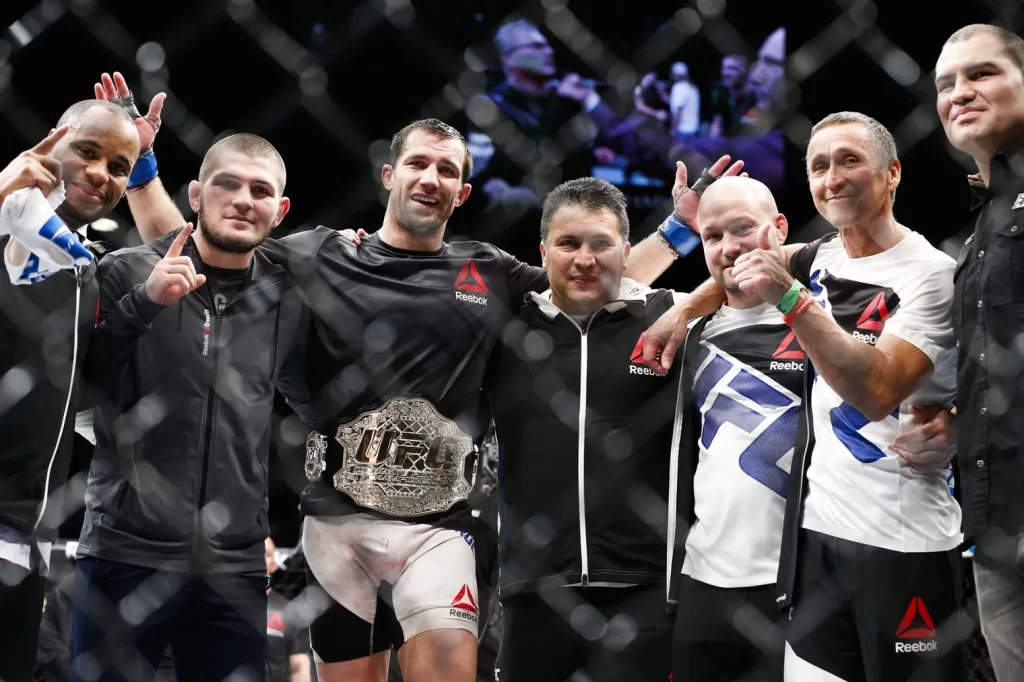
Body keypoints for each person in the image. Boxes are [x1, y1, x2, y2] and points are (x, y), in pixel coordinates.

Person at [264, 118, 740, 682]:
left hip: (440, 525)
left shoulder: (487, 271)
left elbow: (588, 282)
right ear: (388, 174)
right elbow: (215, 259)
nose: (430, 178)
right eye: (418, 163)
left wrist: (678, 233)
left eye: (446, 169)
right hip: (337, 517)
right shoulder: (320, 252)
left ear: (462, 192)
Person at [690, 112, 962, 681]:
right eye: (818, 166)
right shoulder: (821, 256)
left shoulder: (931, 273)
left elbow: (876, 391)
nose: (832, 177)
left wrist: (792, 299)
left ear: (892, 173)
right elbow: (736, 266)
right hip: (816, 540)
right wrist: (681, 311)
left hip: (903, 539)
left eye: (849, 161)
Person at [70, 133, 298, 682]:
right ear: (195, 195)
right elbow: (82, 396)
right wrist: (142, 305)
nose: (243, 199)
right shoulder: (126, 270)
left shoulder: (288, 294)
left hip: (235, 564)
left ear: (280, 210)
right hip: (126, 550)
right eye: (227, 184)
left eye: (260, 190)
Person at [486, 177, 682, 682]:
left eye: (601, 243)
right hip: (535, 587)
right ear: (543, 252)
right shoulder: (506, 329)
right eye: (568, 243)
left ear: (627, 250)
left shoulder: (670, 316)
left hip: (647, 586)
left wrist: (691, 290)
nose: (585, 259)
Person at [0, 99, 140, 682]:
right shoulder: (7, 215)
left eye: (119, 166)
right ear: (53, 143)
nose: (100, 174)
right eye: (87, 151)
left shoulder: (84, 268)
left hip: (27, 532)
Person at [665, 176, 799, 682]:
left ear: (779, 228)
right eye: (712, 236)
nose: (728, 248)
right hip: (704, 580)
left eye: (743, 228)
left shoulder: (824, 318)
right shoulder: (685, 335)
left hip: (799, 580)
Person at [933, 24, 1024, 681]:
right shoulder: (982, 227)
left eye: (981, 73)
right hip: (992, 525)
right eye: (946, 84)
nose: (959, 92)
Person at [265, 537, 312, 682]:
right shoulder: (219, 605)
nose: (256, 559)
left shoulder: (289, 611)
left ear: (273, 564)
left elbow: (299, 666)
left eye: (264, 554)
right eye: (251, 553)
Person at [708, 55, 757, 139]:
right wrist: (712, 143)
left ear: (745, 71)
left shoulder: (756, 95)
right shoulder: (720, 90)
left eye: (732, 68)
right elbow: (718, 120)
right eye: (723, 68)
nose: (725, 73)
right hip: (727, 140)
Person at [670, 62, 701, 140]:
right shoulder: (693, 87)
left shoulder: (679, 87)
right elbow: (676, 103)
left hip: (683, 130)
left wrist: (673, 128)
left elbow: (678, 110)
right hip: (694, 128)